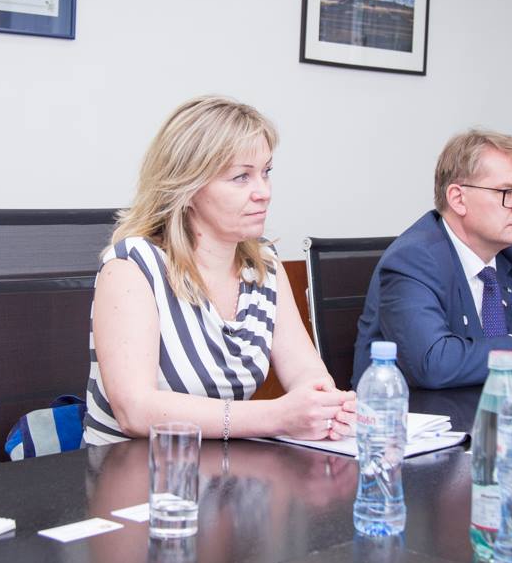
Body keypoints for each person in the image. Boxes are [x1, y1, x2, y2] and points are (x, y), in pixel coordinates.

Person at [83, 96, 355, 446]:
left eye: (266, 172)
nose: (264, 192)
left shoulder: (265, 266)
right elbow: (135, 410)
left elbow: (305, 370)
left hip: (224, 468)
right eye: (241, 177)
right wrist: (278, 416)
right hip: (130, 468)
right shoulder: (132, 267)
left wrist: (322, 403)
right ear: (187, 187)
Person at [353, 129, 512, 390]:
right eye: (508, 192)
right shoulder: (413, 260)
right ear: (458, 199)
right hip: (416, 413)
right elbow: (433, 362)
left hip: (507, 409)